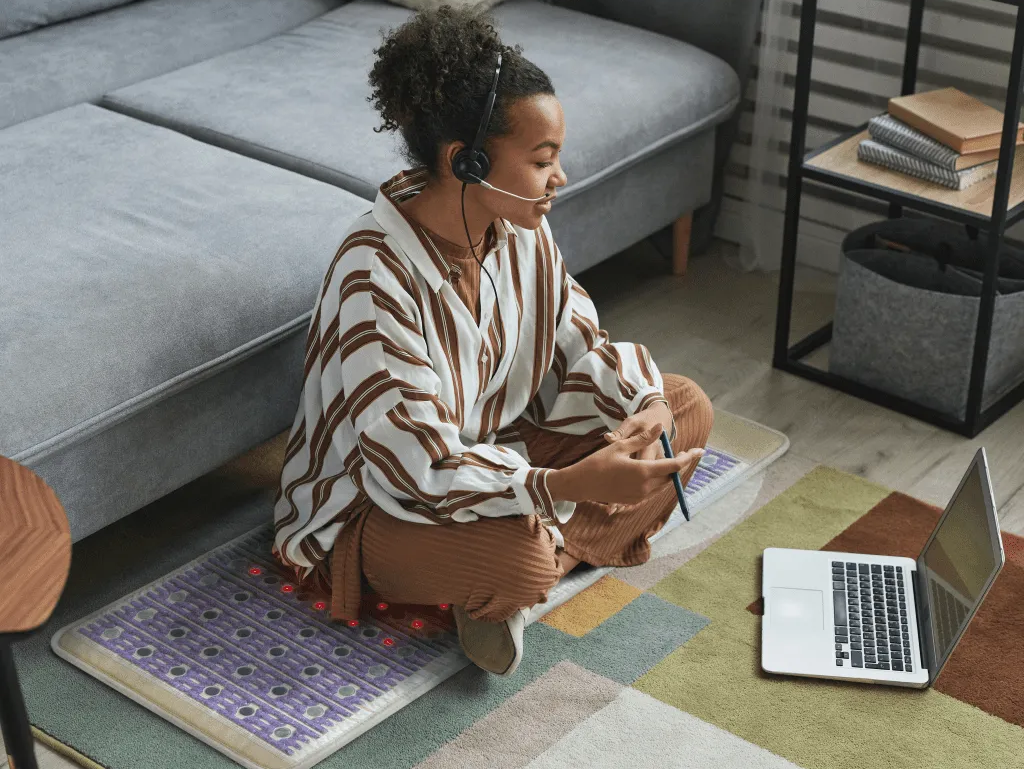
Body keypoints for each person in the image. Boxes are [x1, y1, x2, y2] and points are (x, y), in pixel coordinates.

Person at [272, 5, 713, 677]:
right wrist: (561, 481)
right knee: (522, 558)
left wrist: (640, 404)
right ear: (467, 161)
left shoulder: (521, 231)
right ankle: (525, 567)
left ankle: (500, 590)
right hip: (377, 504)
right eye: (542, 160)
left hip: (486, 454)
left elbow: (577, 345)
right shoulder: (375, 272)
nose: (558, 177)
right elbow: (412, 469)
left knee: (684, 411)